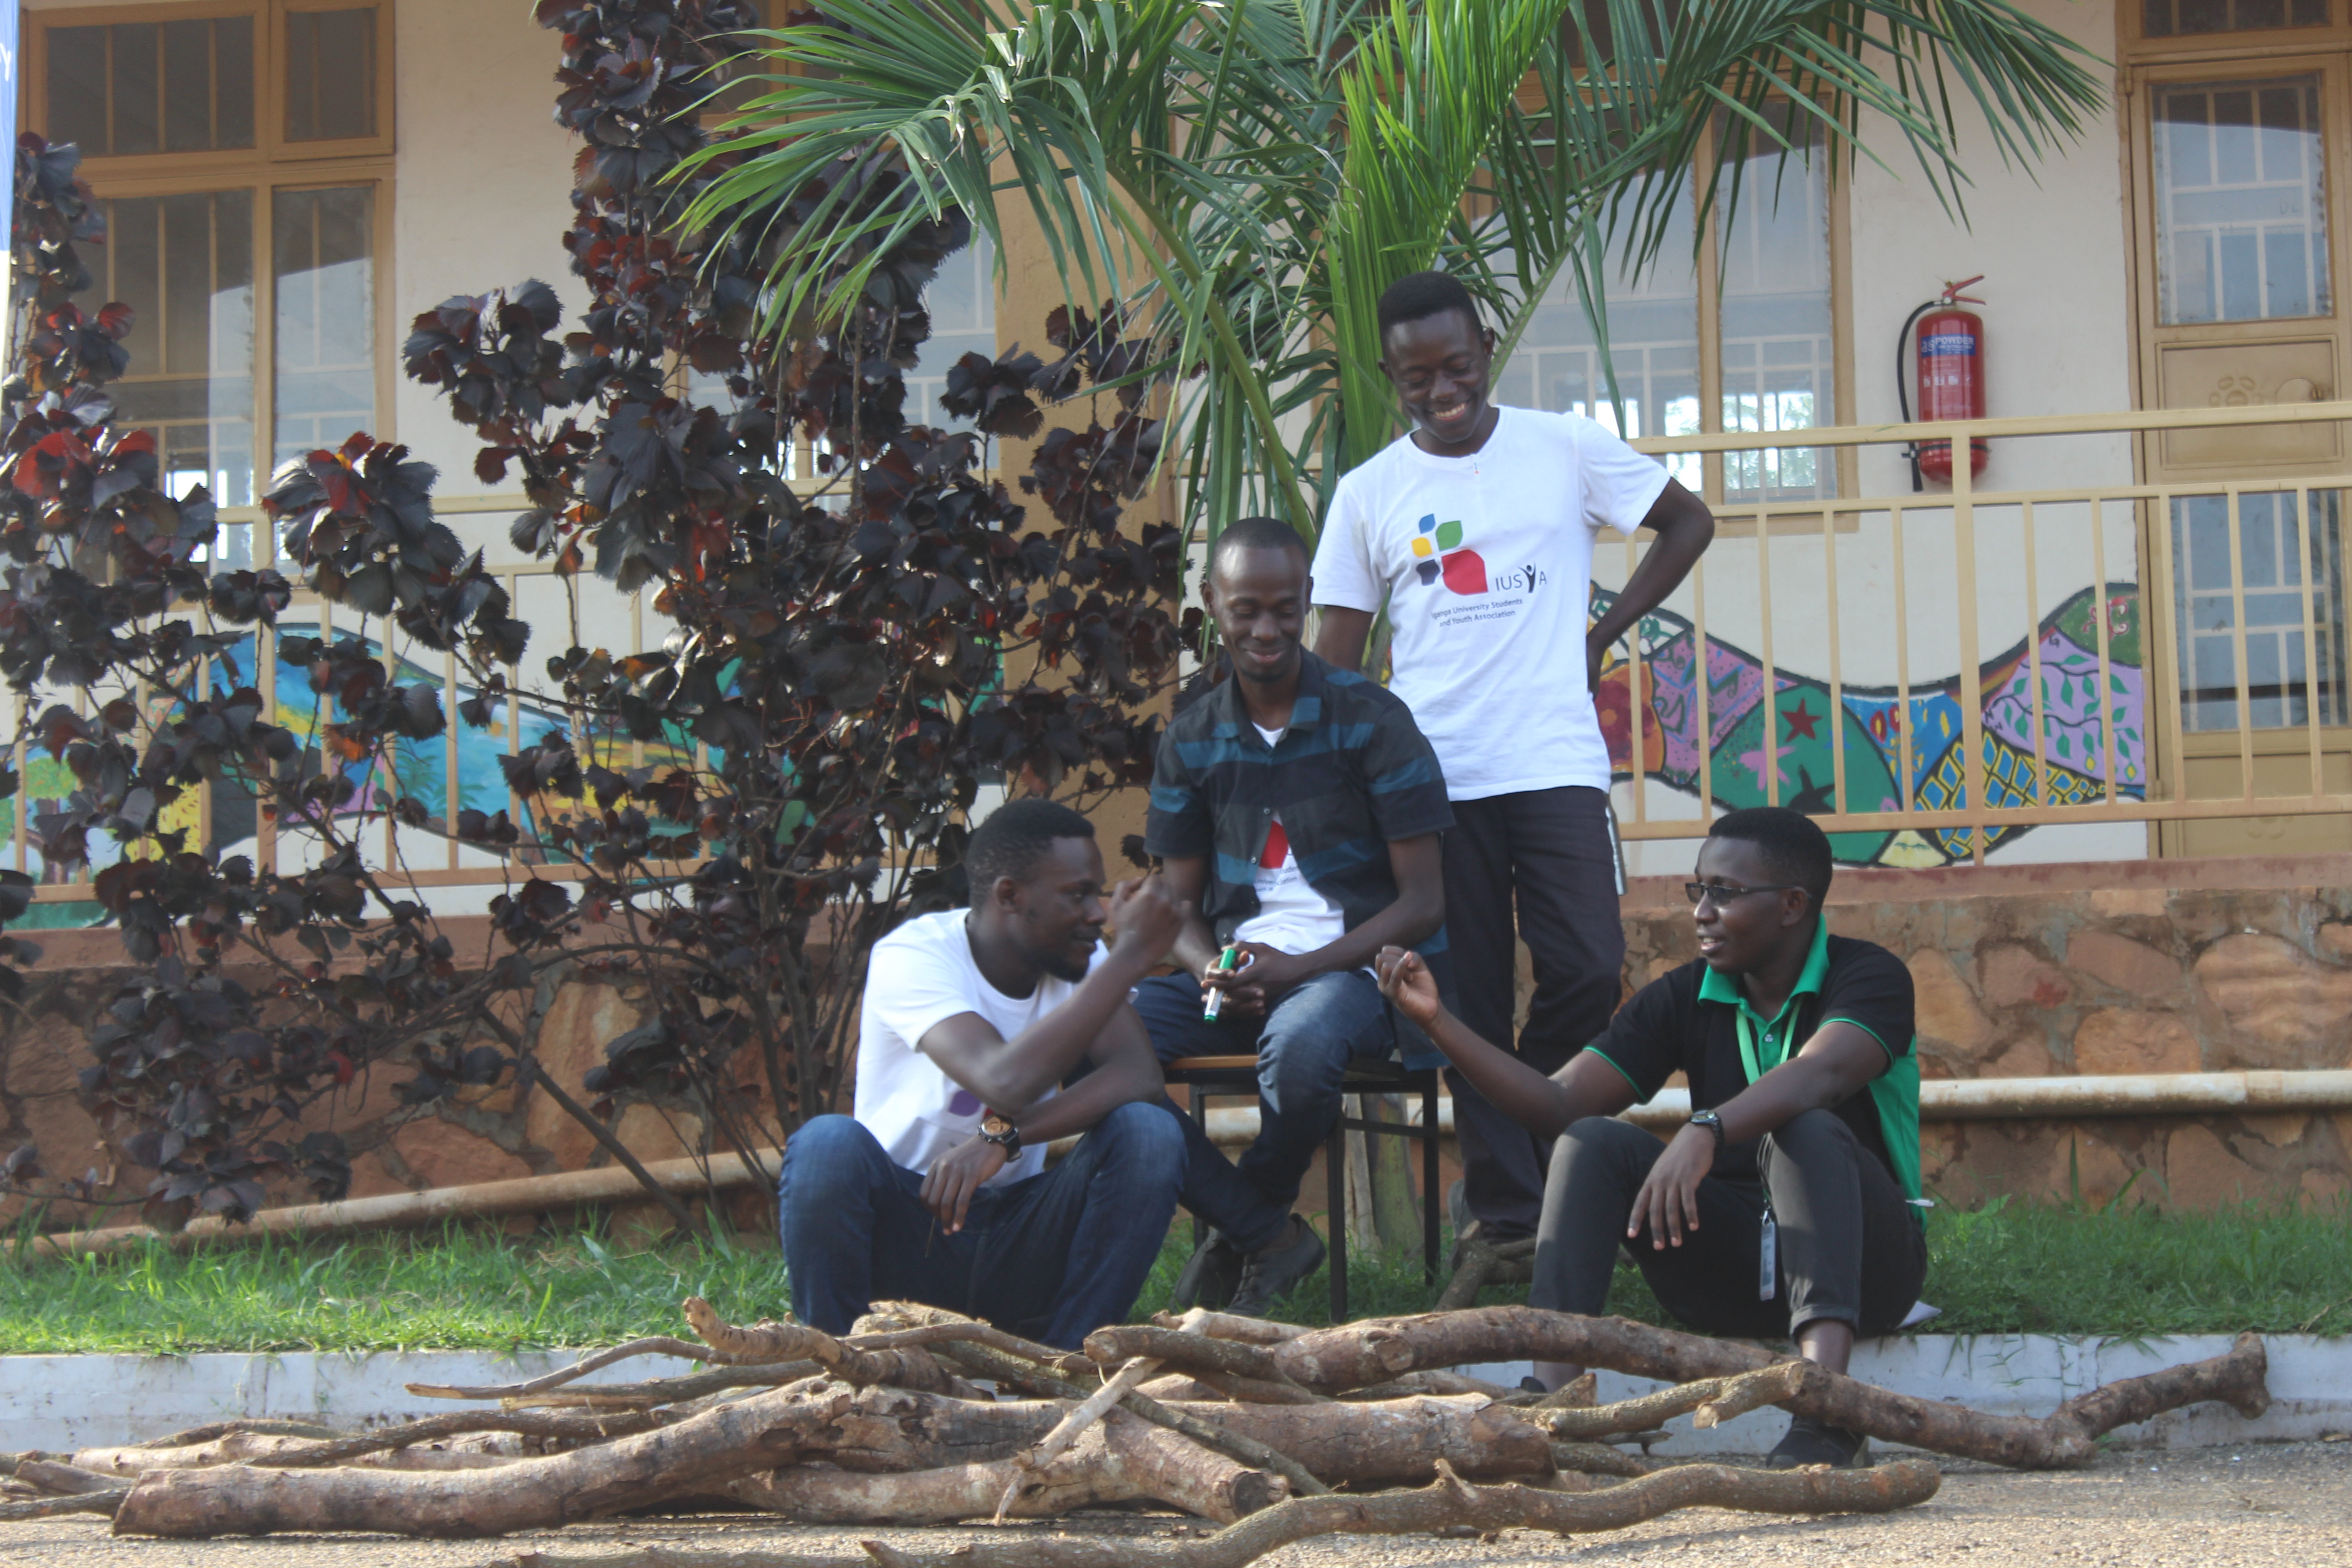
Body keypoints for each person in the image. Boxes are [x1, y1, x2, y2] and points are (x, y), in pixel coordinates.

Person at [1311, 270, 1717, 1253]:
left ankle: (1532, 1130)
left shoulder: (1565, 446)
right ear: (1389, 375)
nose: (1442, 390)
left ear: (1486, 348)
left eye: (1456, 365)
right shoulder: (1370, 494)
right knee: (1470, 999)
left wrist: (1602, 634)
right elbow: (1335, 659)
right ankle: (1510, 1209)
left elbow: (1688, 521)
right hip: (1433, 784)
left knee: (1589, 965)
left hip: (1555, 763)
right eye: (1417, 377)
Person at [1377, 807, 1926, 1470]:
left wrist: (1708, 1128)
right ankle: (1553, 1410)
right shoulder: (1687, 994)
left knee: (1802, 1124)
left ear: (1791, 905)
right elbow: (1559, 1104)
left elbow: (1822, 1073)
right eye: (1701, 889)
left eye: (1725, 892)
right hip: (1730, 1269)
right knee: (1590, 1141)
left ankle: (1829, 1413)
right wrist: (1439, 1024)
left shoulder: (1869, 977)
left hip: (1868, 1270)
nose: (1702, 911)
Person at [1137, 515, 1455, 1318]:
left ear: (1309, 601)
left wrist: (1301, 970)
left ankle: (1238, 1226)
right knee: (1099, 1041)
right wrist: (1209, 966)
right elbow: (1173, 906)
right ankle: (1265, 1231)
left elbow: (1423, 902)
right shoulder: (1191, 739)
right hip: (1238, 980)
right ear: (1212, 603)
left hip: (1354, 976)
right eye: (1245, 608)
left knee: (1303, 1036)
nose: (1266, 627)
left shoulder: (1373, 721)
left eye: (1285, 607)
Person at [777, 798, 1189, 1350]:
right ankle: (842, 1368)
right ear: (1010, 896)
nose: (1098, 913)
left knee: (1149, 1131)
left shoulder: (1079, 957)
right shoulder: (914, 955)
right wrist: (1131, 956)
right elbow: (1002, 1081)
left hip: (1019, 1239)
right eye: (1077, 894)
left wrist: (1004, 1137)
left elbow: (1139, 1077)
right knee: (827, 1144)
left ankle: (1066, 1369)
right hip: (909, 1231)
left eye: (1099, 892)